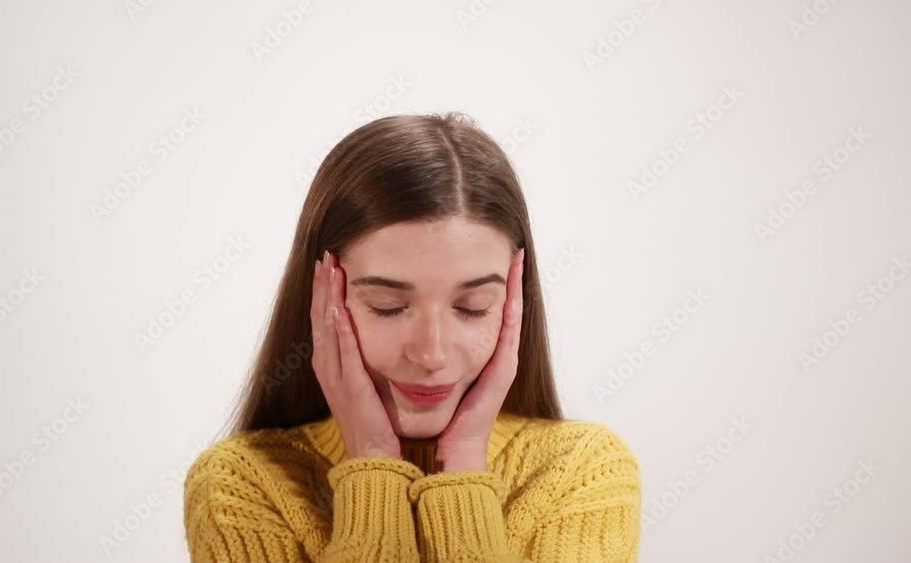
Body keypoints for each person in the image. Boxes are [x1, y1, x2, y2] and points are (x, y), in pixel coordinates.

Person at [182, 112, 641, 562]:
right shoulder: (241, 484)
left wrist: (465, 462)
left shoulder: (580, 471)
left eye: (473, 306)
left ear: (514, 303)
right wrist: (372, 463)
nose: (431, 354)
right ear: (321, 298)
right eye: (387, 306)